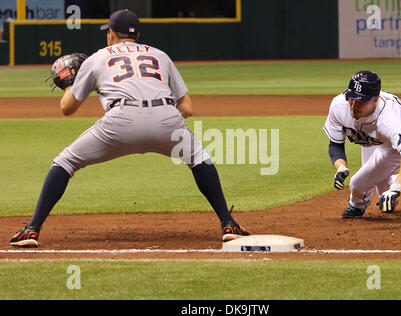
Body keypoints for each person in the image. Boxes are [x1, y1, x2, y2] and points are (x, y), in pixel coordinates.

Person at [10, 9, 249, 248]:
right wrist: (162, 122)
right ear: (137, 34)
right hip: (166, 117)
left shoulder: (98, 58)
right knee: (199, 158)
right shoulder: (160, 55)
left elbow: (67, 108)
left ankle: (32, 229)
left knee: (65, 162)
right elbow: (187, 107)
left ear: (111, 33)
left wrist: (68, 84)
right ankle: (228, 223)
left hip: (121, 120)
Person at [323, 71, 401, 219]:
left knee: (358, 183)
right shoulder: (339, 106)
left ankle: (357, 206)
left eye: (360, 102)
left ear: (375, 100)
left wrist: (397, 188)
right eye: (351, 99)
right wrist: (340, 167)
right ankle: (388, 186)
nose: (353, 106)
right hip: (373, 138)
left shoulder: (389, 119)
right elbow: (335, 144)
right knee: (379, 184)